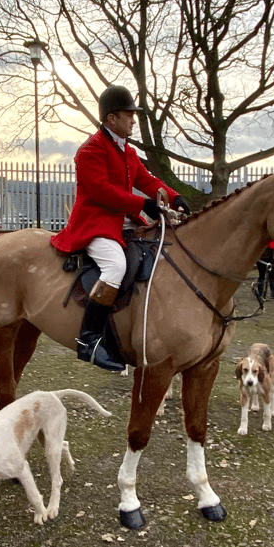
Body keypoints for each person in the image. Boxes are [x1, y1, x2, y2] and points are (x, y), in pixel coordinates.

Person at [50, 86, 191, 372]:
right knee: (114, 266)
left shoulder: (128, 151)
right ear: (111, 119)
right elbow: (102, 191)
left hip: (126, 225)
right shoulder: (90, 150)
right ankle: (89, 341)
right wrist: (143, 203)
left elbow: (149, 180)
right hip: (96, 225)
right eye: (129, 115)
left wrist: (174, 197)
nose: (133, 120)